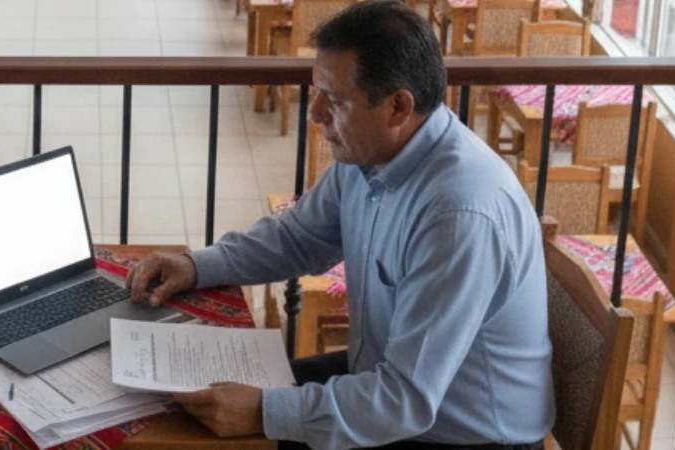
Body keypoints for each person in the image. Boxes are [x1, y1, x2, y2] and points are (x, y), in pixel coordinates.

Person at [123, 1, 554, 449]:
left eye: (334, 100)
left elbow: (404, 400)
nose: (314, 114)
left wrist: (263, 411)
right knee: (189, 404)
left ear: (398, 107)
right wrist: (195, 266)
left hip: (459, 435)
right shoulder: (374, 155)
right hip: (386, 388)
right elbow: (298, 237)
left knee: (221, 434)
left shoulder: (458, 215)